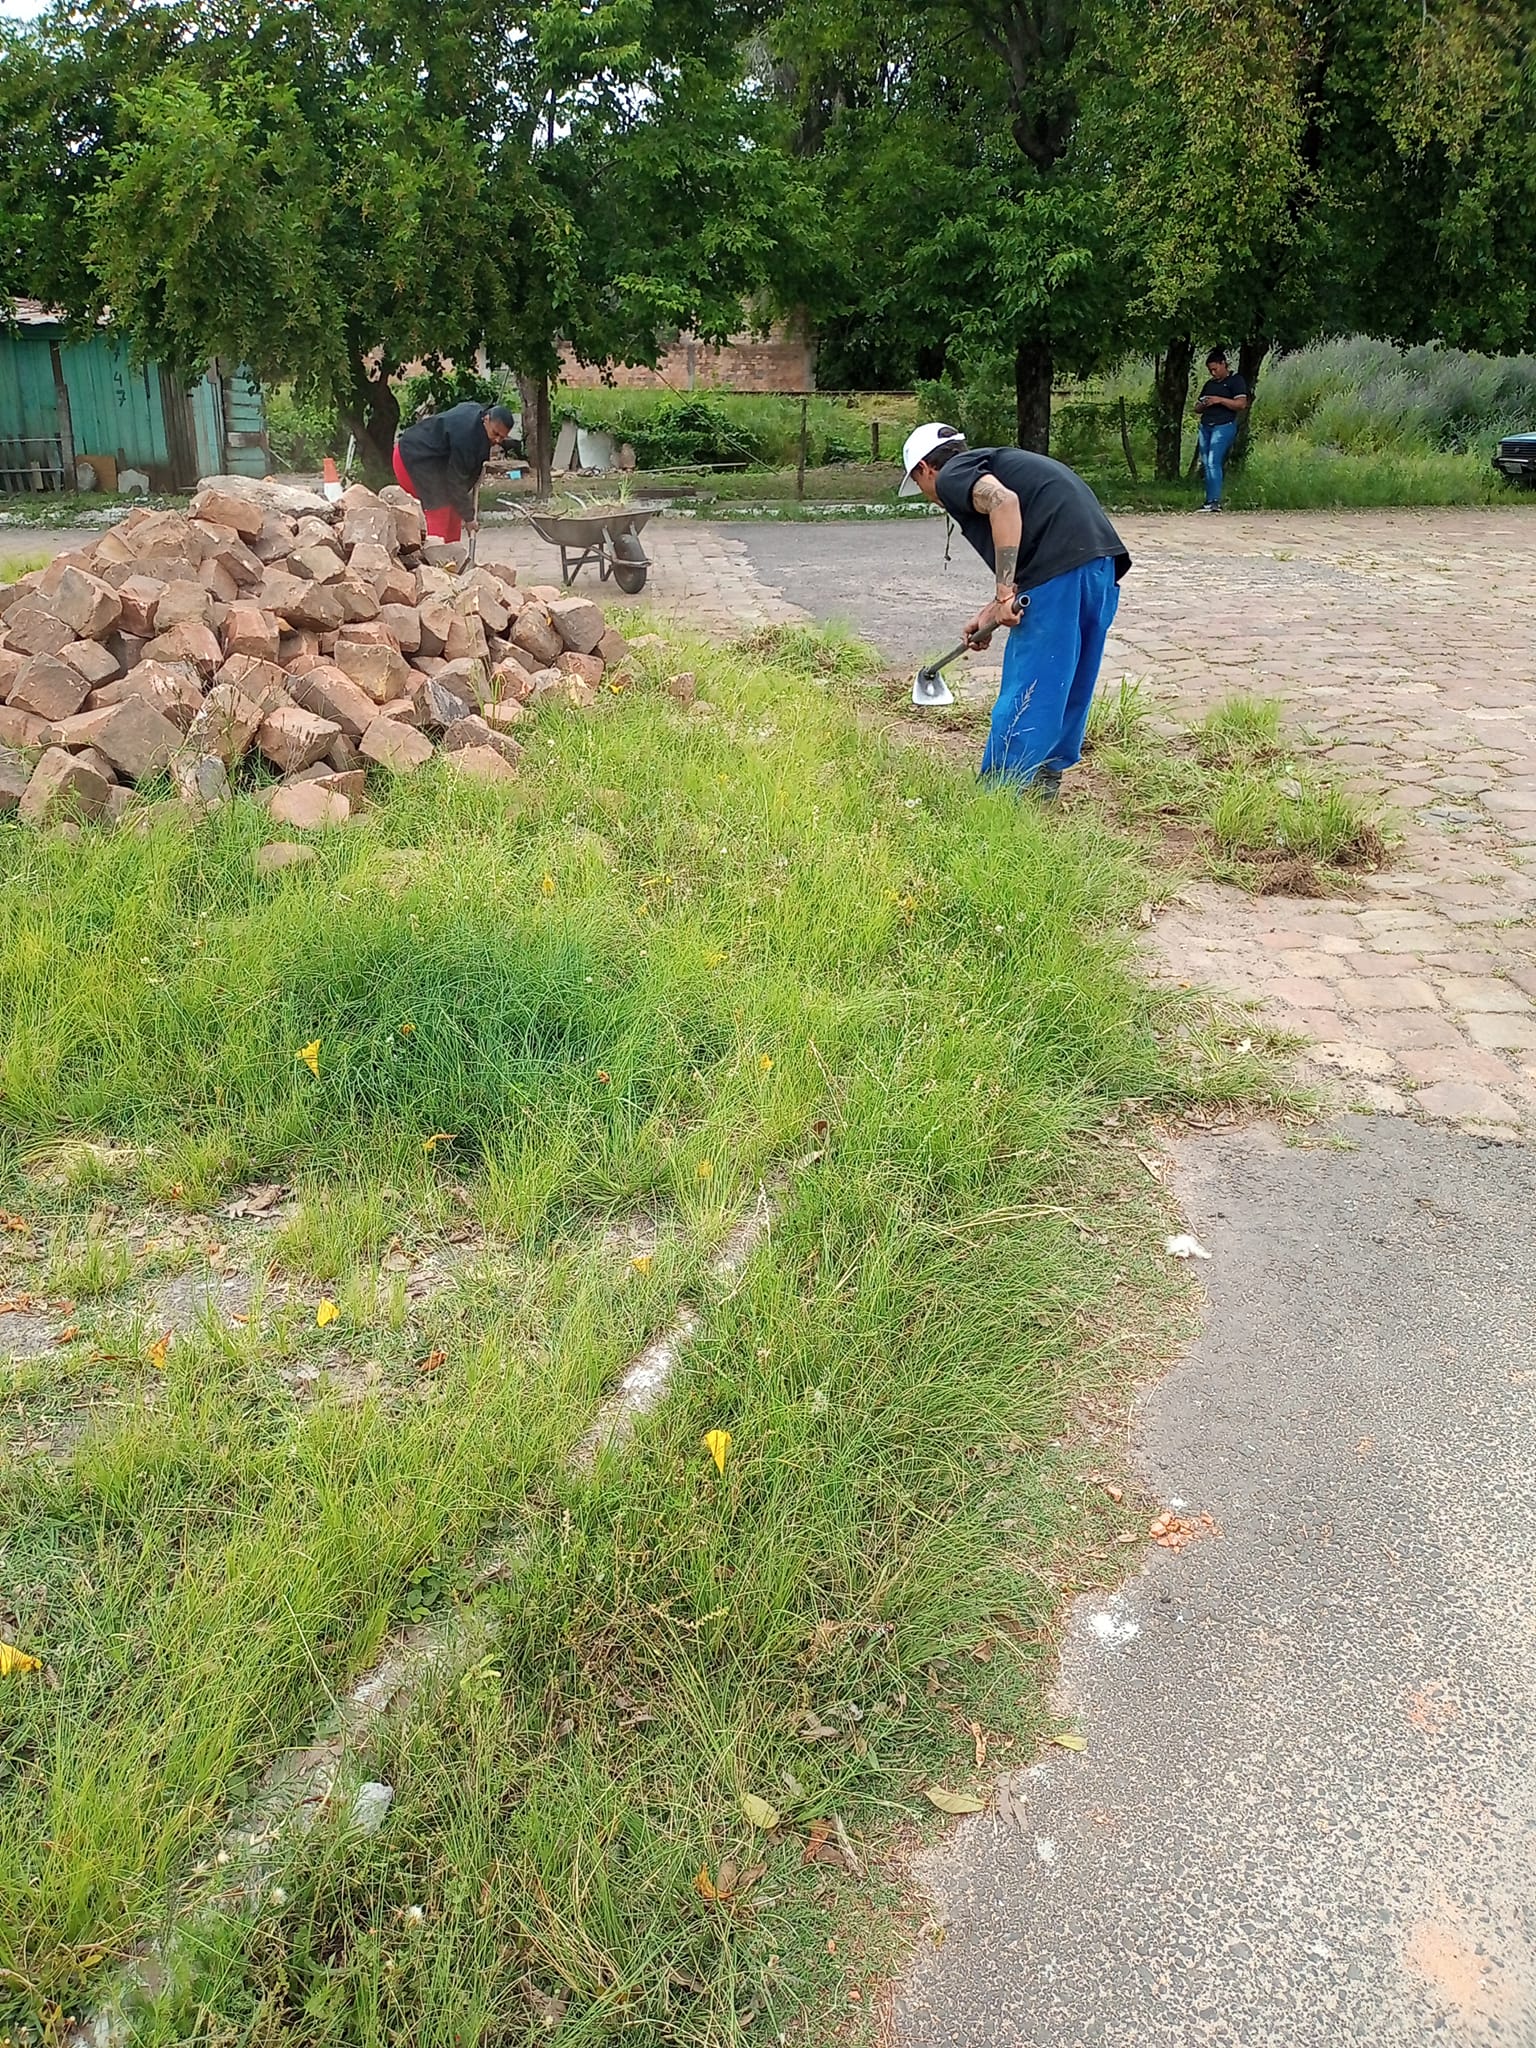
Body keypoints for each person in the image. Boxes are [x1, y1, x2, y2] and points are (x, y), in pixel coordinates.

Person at [899, 422, 1132, 800]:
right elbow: (1034, 550)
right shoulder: (998, 462)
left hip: (1062, 571)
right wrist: (992, 614)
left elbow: (1003, 503)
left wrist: (1004, 590)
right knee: (1068, 680)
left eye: (921, 486)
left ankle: (1002, 793)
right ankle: (1044, 778)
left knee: (1034, 683)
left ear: (925, 468)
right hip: (1098, 564)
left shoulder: (953, 474)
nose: (930, 497)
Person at [393, 400, 516, 543]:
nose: (497, 440)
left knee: (455, 510)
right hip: (411, 457)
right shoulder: (466, 438)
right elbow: (455, 481)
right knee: (440, 506)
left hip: (434, 460)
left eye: (502, 437)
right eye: (495, 434)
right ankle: (435, 558)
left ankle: (452, 557)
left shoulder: (477, 412)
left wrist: (464, 511)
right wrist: (469, 518)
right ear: (486, 419)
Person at [1192, 350, 1250, 511]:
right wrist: (1203, 404)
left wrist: (1220, 400)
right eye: (1210, 370)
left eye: (1215, 369)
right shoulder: (1210, 384)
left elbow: (1241, 404)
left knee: (1213, 461)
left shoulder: (1235, 381)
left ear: (1224, 364)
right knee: (1206, 462)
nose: (1213, 372)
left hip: (1223, 425)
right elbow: (1196, 408)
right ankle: (1209, 500)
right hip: (1206, 425)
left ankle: (1214, 500)